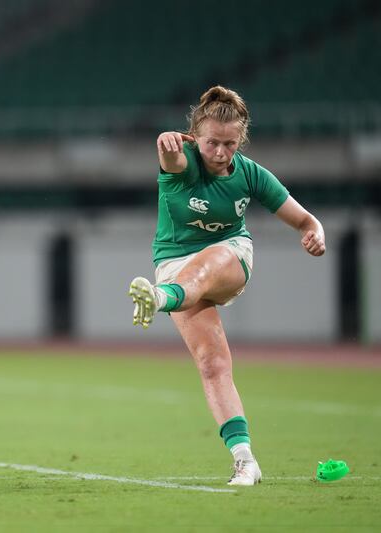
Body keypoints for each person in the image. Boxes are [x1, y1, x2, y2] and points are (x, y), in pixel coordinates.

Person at [128, 86, 325, 486]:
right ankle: (245, 460)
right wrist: (164, 144)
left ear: (241, 141)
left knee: (209, 263)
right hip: (175, 267)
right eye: (212, 143)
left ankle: (159, 298)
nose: (220, 152)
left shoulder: (250, 173)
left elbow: (305, 219)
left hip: (230, 257)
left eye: (229, 144)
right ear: (194, 137)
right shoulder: (182, 163)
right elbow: (170, 158)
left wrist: (315, 233)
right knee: (212, 364)